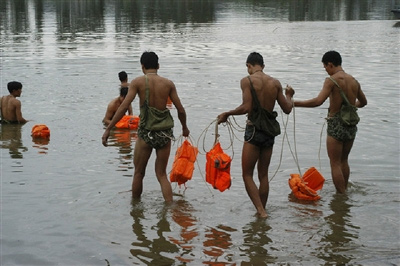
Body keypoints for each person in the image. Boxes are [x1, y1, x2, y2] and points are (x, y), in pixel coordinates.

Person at [102, 51, 190, 202]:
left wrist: (109, 129)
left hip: (146, 134)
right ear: (158, 66)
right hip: (164, 134)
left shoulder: (138, 82)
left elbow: (123, 107)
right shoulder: (168, 84)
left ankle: (136, 213)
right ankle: (169, 209)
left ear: (142, 67)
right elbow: (181, 110)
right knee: (161, 174)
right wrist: (184, 128)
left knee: (139, 173)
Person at [217, 52, 294, 218]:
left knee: (247, 175)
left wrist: (227, 114)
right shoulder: (275, 83)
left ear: (249, 66)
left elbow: (246, 107)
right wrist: (289, 95)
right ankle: (262, 210)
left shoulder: (247, 81)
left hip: (253, 132)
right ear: (263, 66)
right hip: (269, 133)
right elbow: (287, 109)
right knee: (263, 174)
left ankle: (261, 211)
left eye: (248, 68)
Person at [287, 50, 367, 194]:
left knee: (335, 163)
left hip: (336, 124)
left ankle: (341, 196)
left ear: (330, 64)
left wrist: (295, 103)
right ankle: (344, 192)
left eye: (325, 67)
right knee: (344, 160)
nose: (326, 70)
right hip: (351, 125)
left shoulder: (331, 81)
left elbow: (318, 101)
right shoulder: (354, 81)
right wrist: (349, 107)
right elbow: (363, 102)